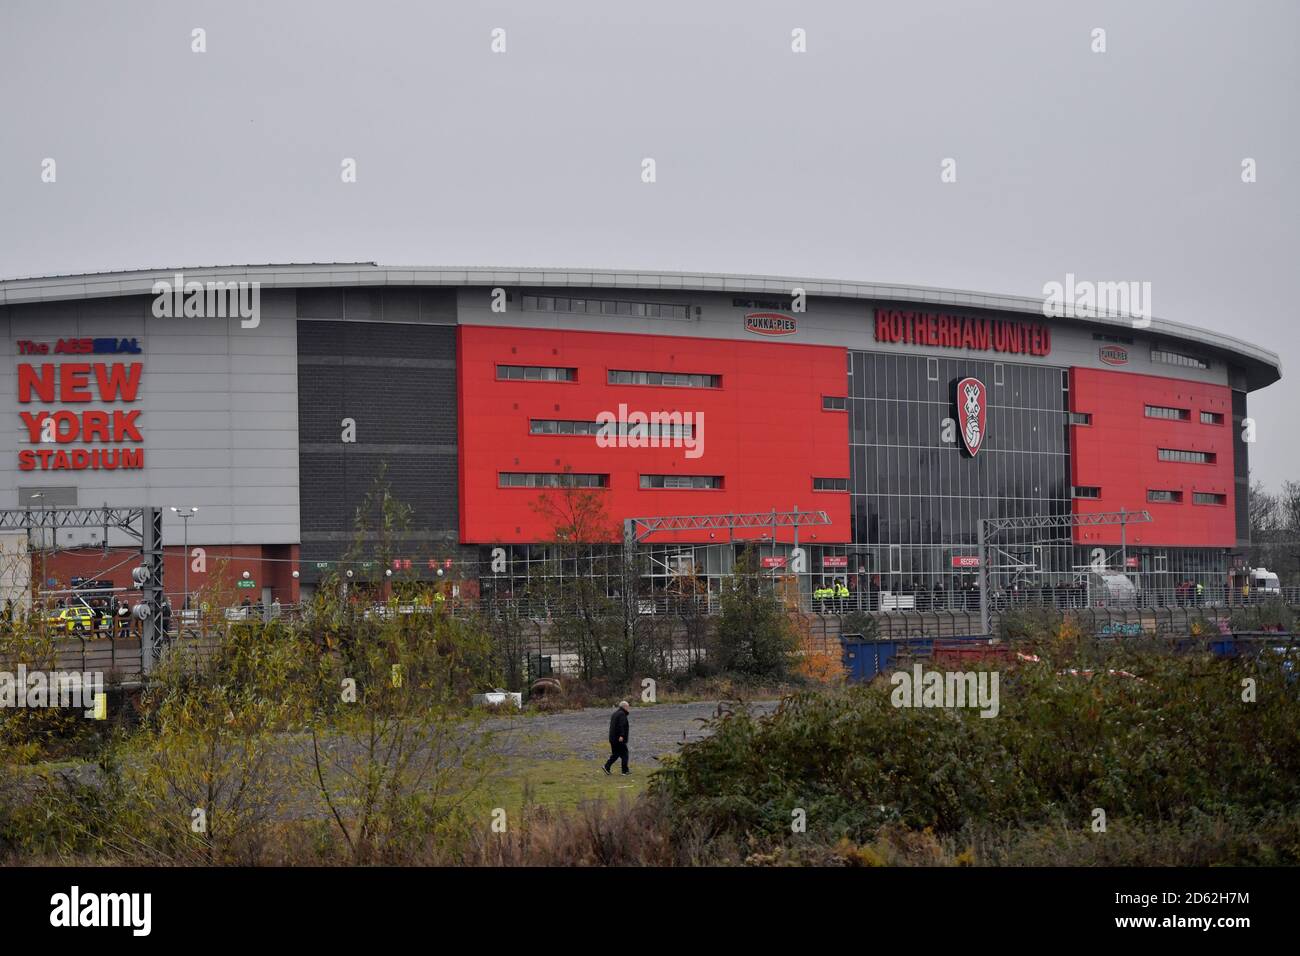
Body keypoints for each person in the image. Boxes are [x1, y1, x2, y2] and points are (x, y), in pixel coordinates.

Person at [603, 700, 631, 776]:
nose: (628, 708)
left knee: (616, 754)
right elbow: (621, 726)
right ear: (624, 707)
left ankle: (606, 766)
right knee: (625, 753)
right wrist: (622, 735)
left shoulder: (615, 713)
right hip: (619, 738)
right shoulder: (622, 714)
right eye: (628, 707)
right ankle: (625, 771)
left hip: (613, 738)